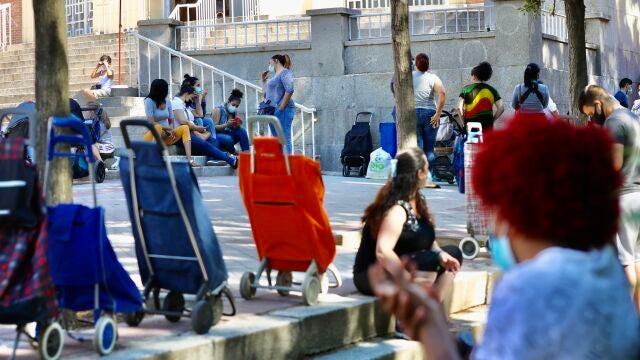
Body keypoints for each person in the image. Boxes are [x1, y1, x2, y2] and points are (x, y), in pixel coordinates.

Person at [368, 114, 640, 359]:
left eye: (495, 207)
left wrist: (431, 332)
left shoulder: (528, 287)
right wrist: (432, 326)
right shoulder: (604, 271)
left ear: (518, 207)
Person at [352, 147, 462, 298]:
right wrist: (407, 279)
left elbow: (427, 238)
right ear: (420, 173)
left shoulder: (417, 200)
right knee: (429, 262)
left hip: (400, 265)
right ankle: (420, 313)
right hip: (373, 274)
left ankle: (432, 307)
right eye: (427, 168)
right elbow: (383, 251)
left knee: (452, 255)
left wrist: (441, 253)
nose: (429, 174)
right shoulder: (397, 209)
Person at [579, 84, 640, 311]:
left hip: (624, 197)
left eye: (589, 113)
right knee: (637, 260)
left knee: (625, 262)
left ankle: (625, 319)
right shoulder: (632, 117)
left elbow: (613, 166)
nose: (591, 119)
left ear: (597, 104)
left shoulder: (614, 122)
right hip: (638, 195)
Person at [172, 83, 238, 168]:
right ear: (187, 93)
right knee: (206, 144)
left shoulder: (185, 106)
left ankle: (211, 160)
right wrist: (197, 129)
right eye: (193, 96)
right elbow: (182, 121)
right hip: (185, 135)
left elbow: (200, 114)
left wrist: (197, 100)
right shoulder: (176, 103)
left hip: (193, 133)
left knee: (214, 141)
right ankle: (231, 161)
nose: (193, 98)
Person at [143, 79, 196, 166]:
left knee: (185, 128)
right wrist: (168, 129)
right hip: (152, 136)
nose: (167, 92)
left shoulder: (167, 101)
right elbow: (151, 122)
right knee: (157, 127)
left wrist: (171, 129)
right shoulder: (149, 101)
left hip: (166, 136)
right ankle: (152, 157)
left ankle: (189, 158)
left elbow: (171, 120)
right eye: (165, 89)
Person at [411, 53, 446, 170]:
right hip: (431, 114)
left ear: (416, 63)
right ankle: (428, 176)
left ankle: (419, 175)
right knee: (429, 148)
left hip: (413, 113)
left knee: (418, 148)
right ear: (428, 63)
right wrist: (438, 113)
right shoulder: (433, 78)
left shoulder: (409, 76)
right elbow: (442, 93)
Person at [261, 54, 295, 153]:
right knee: (277, 139)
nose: (269, 65)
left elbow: (290, 89)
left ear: (276, 60)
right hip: (272, 110)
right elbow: (266, 95)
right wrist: (263, 81)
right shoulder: (275, 76)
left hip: (283, 110)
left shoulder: (285, 72)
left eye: (269, 62)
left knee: (284, 138)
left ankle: (287, 166)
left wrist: (281, 108)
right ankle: (281, 164)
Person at [457, 61, 504, 131]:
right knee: (487, 142)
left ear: (474, 76)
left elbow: (458, 108)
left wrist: (463, 124)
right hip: (487, 127)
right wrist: (492, 121)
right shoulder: (493, 90)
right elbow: (501, 108)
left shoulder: (466, 90)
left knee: (472, 142)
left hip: (470, 126)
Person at [210, 89, 250, 154]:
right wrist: (226, 125)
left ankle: (247, 154)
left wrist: (238, 125)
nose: (235, 107)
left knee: (242, 131)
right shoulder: (218, 110)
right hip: (217, 136)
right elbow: (213, 129)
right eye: (233, 105)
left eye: (237, 106)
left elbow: (235, 129)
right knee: (228, 139)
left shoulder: (234, 112)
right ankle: (233, 151)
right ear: (228, 102)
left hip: (228, 135)